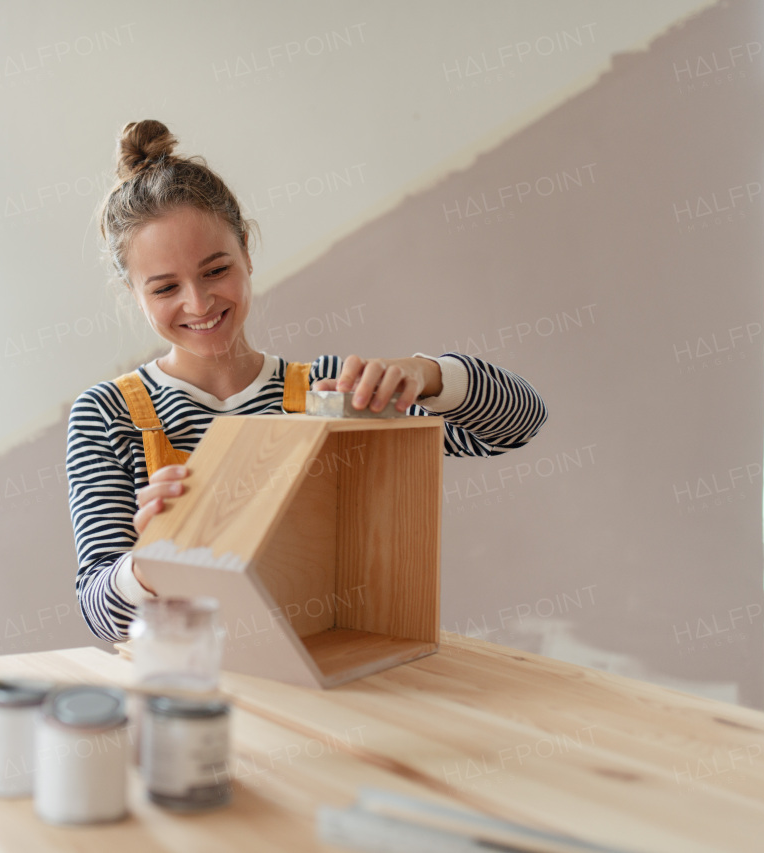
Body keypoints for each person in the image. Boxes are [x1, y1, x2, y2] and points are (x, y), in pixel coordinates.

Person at [67, 120, 547, 643]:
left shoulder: (329, 397)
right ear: (132, 290)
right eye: (165, 287)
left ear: (246, 251)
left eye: (215, 271)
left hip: (320, 667)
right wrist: (153, 557)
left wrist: (427, 373)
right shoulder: (107, 415)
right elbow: (100, 614)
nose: (198, 304)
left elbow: (518, 425)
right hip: (188, 688)